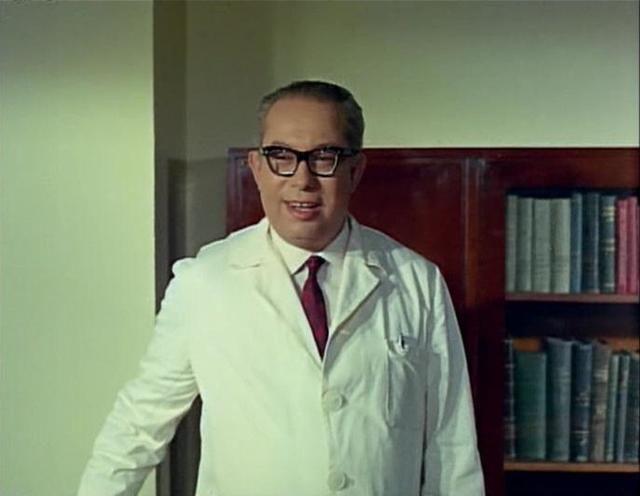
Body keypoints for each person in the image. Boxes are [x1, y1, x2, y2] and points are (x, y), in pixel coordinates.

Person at [79, 80, 485, 495]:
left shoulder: (416, 281)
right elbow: (137, 426)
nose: (302, 180)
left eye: (324, 157)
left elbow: (451, 446)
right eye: (282, 157)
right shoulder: (204, 282)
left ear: (355, 170)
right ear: (257, 168)